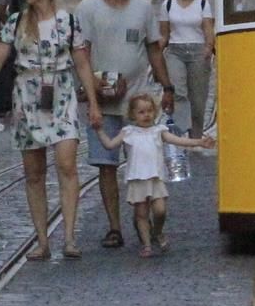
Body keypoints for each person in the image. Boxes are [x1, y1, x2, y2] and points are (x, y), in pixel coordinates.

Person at [0, 0, 98, 261]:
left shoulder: (68, 22)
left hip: (61, 93)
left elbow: (82, 63)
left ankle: (69, 237)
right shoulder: (17, 21)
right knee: (34, 173)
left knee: (67, 165)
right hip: (28, 96)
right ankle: (42, 241)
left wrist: (93, 102)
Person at [74, 0, 177, 250]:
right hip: (101, 101)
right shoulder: (86, 9)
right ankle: (114, 227)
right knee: (106, 165)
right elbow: (81, 53)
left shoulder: (143, 9)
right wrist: (92, 87)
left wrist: (167, 87)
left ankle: (143, 218)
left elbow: (154, 50)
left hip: (138, 102)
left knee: (145, 161)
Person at [91, 93, 214, 257]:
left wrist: (199, 142)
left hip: (155, 178)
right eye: (141, 112)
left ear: (155, 112)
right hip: (137, 179)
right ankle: (147, 244)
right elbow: (109, 145)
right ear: (133, 114)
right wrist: (99, 130)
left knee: (160, 210)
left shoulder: (158, 131)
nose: (146, 115)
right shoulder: (128, 132)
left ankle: (157, 231)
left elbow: (178, 140)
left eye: (149, 111)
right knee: (141, 214)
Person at [158, 0, 217, 139]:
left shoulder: (202, 4)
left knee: (198, 99)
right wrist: (155, 55)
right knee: (178, 91)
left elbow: (208, 29)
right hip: (175, 51)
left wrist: (208, 47)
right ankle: (181, 130)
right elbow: (164, 34)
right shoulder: (168, 5)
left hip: (198, 51)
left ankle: (195, 137)